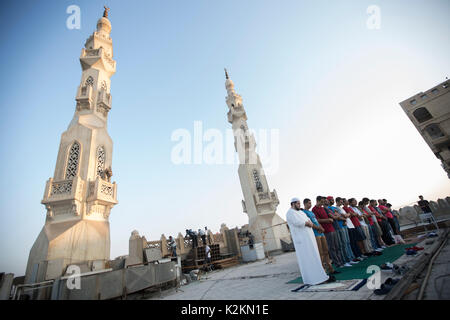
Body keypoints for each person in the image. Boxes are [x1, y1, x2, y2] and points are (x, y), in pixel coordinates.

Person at [287, 197, 333, 285]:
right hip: (302, 241)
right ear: (292, 204)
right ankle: (312, 279)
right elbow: (297, 222)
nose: (299, 205)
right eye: (297, 203)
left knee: (314, 256)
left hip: (309, 239)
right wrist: (307, 223)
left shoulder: (300, 212)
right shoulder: (290, 213)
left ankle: (319, 276)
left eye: (299, 203)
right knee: (307, 259)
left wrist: (309, 223)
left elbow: (308, 220)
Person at [302, 198, 336, 274]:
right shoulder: (303, 212)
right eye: (308, 203)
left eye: (310, 203)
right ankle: (323, 270)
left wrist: (321, 228)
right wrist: (318, 228)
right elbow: (310, 223)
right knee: (320, 253)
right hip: (315, 233)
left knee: (326, 251)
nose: (310, 205)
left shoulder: (311, 212)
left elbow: (316, 221)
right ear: (304, 204)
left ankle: (330, 268)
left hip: (321, 232)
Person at [313, 196, 344, 268]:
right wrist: (328, 220)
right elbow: (317, 220)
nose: (323, 203)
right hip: (326, 230)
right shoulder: (314, 209)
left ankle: (341, 261)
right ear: (317, 201)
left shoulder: (324, 208)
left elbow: (333, 215)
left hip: (332, 228)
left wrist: (334, 216)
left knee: (337, 246)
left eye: (324, 201)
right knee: (331, 248)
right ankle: (337, 263)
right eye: (322, 201)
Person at [325, 196, 354, 267]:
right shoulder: (328, 208)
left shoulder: (334, 208)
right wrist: (343, 218)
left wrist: (342, 217)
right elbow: (336, 216)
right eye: (331, 200)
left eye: (332, 200)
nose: (332, 201)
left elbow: (338, 215)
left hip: (342, 226)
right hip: (338, 227)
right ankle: (345, 260)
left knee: (347, 242)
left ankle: (350, 258)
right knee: (341, 244)